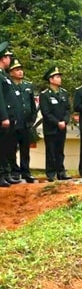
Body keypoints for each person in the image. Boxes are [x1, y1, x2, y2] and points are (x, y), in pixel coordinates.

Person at [39, 65, 71, 182]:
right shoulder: (45, 94)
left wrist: (65, 121)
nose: (59, 79)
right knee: (51, 151)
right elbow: (46, 113)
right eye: (57, 77)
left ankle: (61, 172)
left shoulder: (64, 93)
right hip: (51, 128)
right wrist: (57, 122)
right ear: (51, 79)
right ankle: (51, 173)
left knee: (60, 151)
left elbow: (68, 109)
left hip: (62, 127)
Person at [8, 56, 37, 183]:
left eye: (21, 69)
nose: (20, 72)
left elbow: (32, 105)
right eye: (17, 69)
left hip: (26, 123)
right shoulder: (8, 86)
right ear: (11, 72)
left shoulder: (28, 86)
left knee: (25, 149)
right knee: (12, 149)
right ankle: (14, 172)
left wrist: (32, 119)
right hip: (14, 123)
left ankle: (26, 172)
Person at [0, 41, 20, 186]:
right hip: (4, 118)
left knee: (7, 147)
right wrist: (4, 117)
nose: (9, 59)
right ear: (2, 58)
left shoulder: (4, 76)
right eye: (8, 57)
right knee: (2, 147)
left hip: (11, 117)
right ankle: (1, 175)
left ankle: (6, 173)